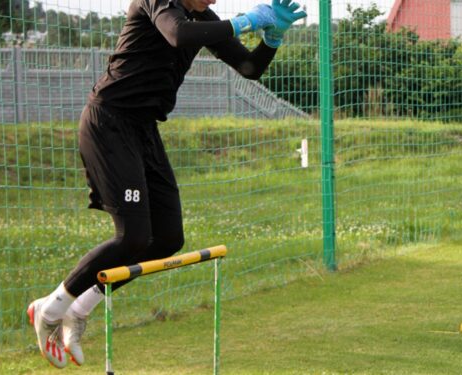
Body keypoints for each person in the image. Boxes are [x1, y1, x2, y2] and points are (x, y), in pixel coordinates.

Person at [27, 0, 306, 368]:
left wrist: (272, 37)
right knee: (132, 235)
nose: (215, 2)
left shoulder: (202, 17)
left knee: (169, 238)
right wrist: (247, 20)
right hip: (109, 122)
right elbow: (177, 34)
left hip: (143, 130)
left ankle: (80, 309)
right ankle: (48, 310)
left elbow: (250, 67)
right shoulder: (158, 2)